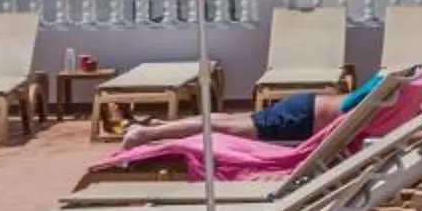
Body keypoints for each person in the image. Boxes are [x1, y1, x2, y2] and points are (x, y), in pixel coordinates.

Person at [119, 71, 385, 149]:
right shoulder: (384, 97)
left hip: (303, 107)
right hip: (300, 119)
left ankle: (155, 128)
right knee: (220, 125)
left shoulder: (386, 82)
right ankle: (143, 134)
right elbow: (349, 107)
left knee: (224, 119)